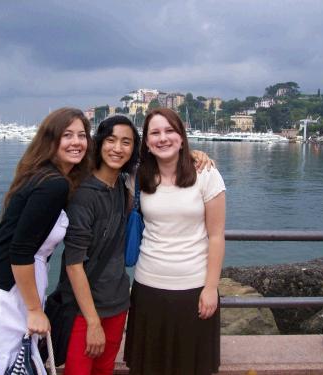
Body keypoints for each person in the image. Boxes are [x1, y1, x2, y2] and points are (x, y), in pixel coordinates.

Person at [0, 108, 93, 375]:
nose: (77, 142)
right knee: (6, 365)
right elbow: (21, 251)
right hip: (5, 292)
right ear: (51, 140)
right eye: (67, 135)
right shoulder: (53, 184)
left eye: (82, 135)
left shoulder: (43, 173)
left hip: (0, 283)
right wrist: (35, 310)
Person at [124, 108, 226, 375]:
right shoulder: (137, 178)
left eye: (170, 131)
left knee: (192, 366)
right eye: (155, 133)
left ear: (182, 137)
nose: (163, 138)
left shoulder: (206, 175)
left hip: (194, 287)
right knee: (149, 366)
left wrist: (211, 288)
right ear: (146, 142)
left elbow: (216, 236)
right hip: (148, 287)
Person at [58, 115, 140, 375]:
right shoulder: (84, 195)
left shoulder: (121, 186)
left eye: (126, 142)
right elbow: (73, 263)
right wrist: (93, 322)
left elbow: (164, 158)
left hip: (117, 302)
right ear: (99, 143)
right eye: (111, 140)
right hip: (85, 310)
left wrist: (194, 154)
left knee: (104, 370)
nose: (118, 148)